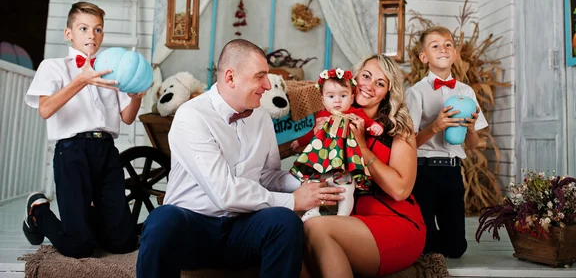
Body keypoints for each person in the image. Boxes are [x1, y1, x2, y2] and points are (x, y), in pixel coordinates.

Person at [136, 39, 345, 278]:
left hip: (242, 228)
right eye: (260, 76)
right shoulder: (191, 116)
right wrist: (292, 201)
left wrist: (305, 185)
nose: (267, 85)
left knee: (286, 222)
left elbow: (266, 175)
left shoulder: (262, 117)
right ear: (230, 77)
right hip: (194, 230)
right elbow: (224, 192)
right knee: (162, 219)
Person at [22, 2, 146, 258]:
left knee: (124, 242)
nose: (92, 35)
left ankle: (88, 222)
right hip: (71, 152)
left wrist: (135, 96)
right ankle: (38, 212)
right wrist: (80, 81)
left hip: (107, 152)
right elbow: (45, 110)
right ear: (69, 34)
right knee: (79, 247)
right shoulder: (54, 66)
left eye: (98, 29)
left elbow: (127, 118)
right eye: (84, 28)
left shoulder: (112, 69)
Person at [302, 54, 426, 278]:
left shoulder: (399, 129)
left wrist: (362, 146)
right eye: (366, 76)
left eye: (380, 83)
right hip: (349, 219)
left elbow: (400, 190)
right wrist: (317, 138)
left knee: (315, 227)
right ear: (354, 78)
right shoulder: (330, 119)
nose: (369, 86)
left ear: (388, 92)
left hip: (396, 223)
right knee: (291, 235)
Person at [405, 26, 488, 258]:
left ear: (455, 53)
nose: (443, 49)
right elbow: (408, 143)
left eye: (448, 44)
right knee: (427, 247)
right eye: (435, 46)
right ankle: (418, 239)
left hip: (452, 172)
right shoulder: (416, 92)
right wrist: (435, 127)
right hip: (423, 172)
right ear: (424, 57)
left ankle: (426, 239)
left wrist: (471, 128)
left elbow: (472, 145)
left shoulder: (467, 92)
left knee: (456, 249)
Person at [290, 67, 383, 221]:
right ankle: (313, 210)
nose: (337, 100)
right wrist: (299, 141)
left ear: (352, 98)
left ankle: (343, 216)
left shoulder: (355, 114)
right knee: (314, 186)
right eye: (331, 96)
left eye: (343, 95)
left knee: (346, 189)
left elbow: (367, 123)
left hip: (345, 164)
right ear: (323, 100)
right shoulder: (322, 116)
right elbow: (312, 133)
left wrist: (374, 127)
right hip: (323, 162)